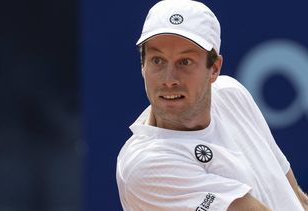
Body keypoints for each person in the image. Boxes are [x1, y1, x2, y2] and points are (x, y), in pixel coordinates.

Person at [116, 0, 308, 210]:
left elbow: (292, 194)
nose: (169, 79)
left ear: (214, 69)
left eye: (185, 62)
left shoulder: (232, 94)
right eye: (157, 61)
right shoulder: (144, 167)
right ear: (142, 66)